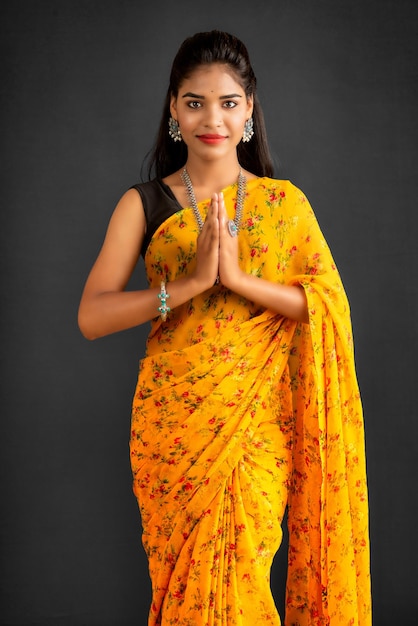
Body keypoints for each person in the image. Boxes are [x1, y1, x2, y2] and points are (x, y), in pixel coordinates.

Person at [78, 30, 371, 626]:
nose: (212, 118)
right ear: (173, 111)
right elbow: (92, 316)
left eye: (229, 102)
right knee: (183, 590)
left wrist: (236, 280)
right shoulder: (145, 204)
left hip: (256, 430)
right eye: (195, 102)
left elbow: (328, 306)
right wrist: (186, 288)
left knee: (241, 577)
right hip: (173, 431)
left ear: (250, 112)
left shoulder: (284, 204)